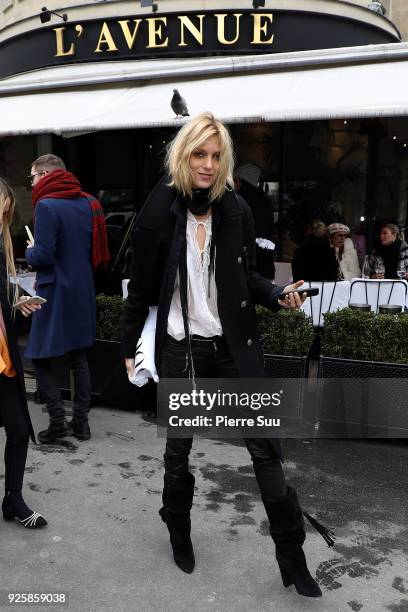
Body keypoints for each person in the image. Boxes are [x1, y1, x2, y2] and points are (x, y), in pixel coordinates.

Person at [122, 113, 332, 598]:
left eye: (216, 157)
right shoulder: (159, 210)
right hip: (180, 349)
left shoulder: (235, 209)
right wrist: (129, 346)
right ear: (183, 155)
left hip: (231, 347)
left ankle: (292, 556)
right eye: (199, 154)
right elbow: (141, 288)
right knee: (179, 449)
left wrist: (278, 294)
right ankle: (177, 526)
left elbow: (248, 279)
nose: (208, 165)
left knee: (266, 448)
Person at [25, 155, 110, 443]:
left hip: (54, 290)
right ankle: (81, 424)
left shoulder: (46, 205)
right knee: (78, 356)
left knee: (38, 355)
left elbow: (43, 257)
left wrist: (31, 250)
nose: (33, 182)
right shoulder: (88, 202)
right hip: (82, 287)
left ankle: (58, 421)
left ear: (46, 174)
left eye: (33, 177)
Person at [0, 177, 47, 528]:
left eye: (5, 213)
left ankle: (13, 499)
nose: (2, 219)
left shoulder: (2, 253)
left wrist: (18, 306)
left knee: (18, 430)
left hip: (4, 362)